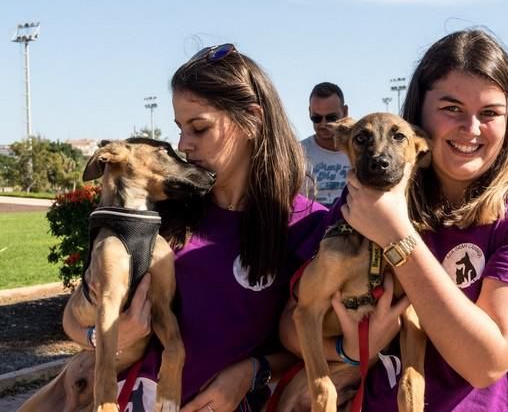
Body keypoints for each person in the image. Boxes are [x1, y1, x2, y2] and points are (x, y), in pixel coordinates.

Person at [281, 29, 508, 411]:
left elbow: (485, 361)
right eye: (452, 108)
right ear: (419, 118)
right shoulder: (369, 198)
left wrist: (395, 234)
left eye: (490, 113)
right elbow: (293, 325)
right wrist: (351, 348)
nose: (471, 129)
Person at [62, 43, 328, 412]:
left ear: (252, 120)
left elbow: (310, 345)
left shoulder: (308, 224)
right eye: (180, 128)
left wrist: (250, 372)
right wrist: (101, 335)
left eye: (199, 128)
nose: (184, 145)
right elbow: (74, 317)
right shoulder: (161, 214)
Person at [300, 82, 351, 207]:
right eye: (316, 118)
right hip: (313, 224)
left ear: (344, 112)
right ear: (309, 112)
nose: (323, 124)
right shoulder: (297, 154)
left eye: (331, 118)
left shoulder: (361, 150)